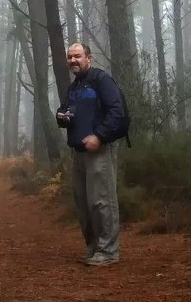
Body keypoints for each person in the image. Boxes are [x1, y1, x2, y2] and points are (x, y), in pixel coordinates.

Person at [56, 42, 125, 267]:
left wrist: (100, 136)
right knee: (83, 203)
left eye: (77, 56)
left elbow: (117, 112)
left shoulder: (101, 80)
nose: (73, 60)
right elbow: (66, 110)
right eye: (70, 57)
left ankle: (108, 252)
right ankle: (94, 248)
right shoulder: (74, 86)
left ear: (89, 58)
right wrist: (61, 116)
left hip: (100, 150)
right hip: (78, 151)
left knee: (102, 201)